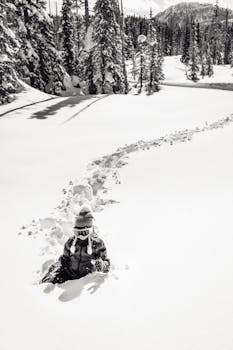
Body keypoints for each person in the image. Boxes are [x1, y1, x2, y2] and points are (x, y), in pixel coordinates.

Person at [41, 205, 110, 284]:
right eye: (77, 232)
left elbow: (106, 264)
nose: (80, 236)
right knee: (51, 282)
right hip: (69, 274)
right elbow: (65, 259)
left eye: (84, 232)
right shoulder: (70, 242)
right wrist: (59, 265)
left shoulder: (97, 244)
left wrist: (102, 265)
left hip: (85, 279)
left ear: (90, 230)